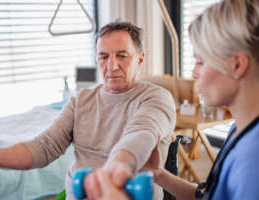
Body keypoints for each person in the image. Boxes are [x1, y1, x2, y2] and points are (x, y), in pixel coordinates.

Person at [0, 22, 176, 200]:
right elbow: (44, 147)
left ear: (140, 58)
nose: (111, 65)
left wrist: (116, 169)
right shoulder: (81, 99)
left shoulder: (156, 98)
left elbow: (140, 134)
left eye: (122, 55)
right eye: (103, 56)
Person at [86, 0, 259, 199]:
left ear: (237, 65)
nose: (194, 73)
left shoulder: (253, 158)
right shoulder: (239, 129)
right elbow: (208, 196)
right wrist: (159, 174)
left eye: (200, 62)